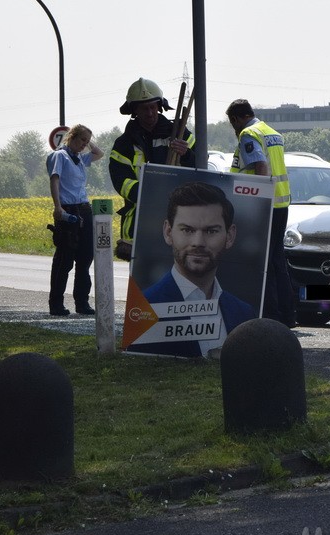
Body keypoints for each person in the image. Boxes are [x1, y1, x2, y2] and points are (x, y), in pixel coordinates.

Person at [141, 182, 257, 359]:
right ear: (168, 232)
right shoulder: (144, 308)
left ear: (230, 236)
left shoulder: (244, 313)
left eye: (211, 231)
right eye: (187, 230)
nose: (198, 242)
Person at [109, 77, 196, 260]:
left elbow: (200, 169)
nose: (149, 113)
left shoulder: (180, 134)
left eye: (152, 106)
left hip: (179, 222)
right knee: (141, 284)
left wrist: (187, 154)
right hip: (140, 225)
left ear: (160, 106)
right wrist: (152, 195)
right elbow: (121, 182)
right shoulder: (124, 144)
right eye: (143, 108)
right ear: (134, 111)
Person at [226, 99, 294, 327]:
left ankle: (272, 315)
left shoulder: (249, 133)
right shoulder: (272, 132)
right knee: (277, 261)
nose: (234, 130)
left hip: (264, 206)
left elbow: (261, 168)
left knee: (264, 262)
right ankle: (287, 314)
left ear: (236, 118)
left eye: (232, 124)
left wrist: (256, 204)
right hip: (281, 203)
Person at [47, 124, 103, 316]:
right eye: (81, 140)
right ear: (71, 137)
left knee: (85, 257)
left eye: (86, 142)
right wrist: (58, 207)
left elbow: (99, 153)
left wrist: (88, 142)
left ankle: (82, 302)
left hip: (84, 208)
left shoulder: (79, 158)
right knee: (64, 260)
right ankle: (56, 304)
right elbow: (55, 179)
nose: (84, 145)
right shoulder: (60, 156)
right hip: (68, 209)